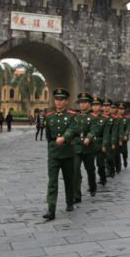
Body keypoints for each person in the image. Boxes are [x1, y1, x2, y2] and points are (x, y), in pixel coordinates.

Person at [42, 88, 77, 220]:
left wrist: (64, 137)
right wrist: (51, 149)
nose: (59, 102)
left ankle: (69, 202)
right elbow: (48, 136)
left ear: (66, 101)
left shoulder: (72, 116)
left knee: (69, 179)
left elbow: (73, 129)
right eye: (57, 99)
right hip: (54, 154)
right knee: (52, 182)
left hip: (67, 153)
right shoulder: (49, 116)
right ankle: (51, 209)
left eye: (62, 99)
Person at [68, 92, 97, 202]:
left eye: (85, 102)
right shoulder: (75, 116)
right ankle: (76, 195)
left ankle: (92, 186)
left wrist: (89, 138)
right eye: (80, 102)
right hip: (76, 147)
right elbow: (72, 129)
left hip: (88, 148)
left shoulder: (94, 117)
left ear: (89, 104)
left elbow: (94, 130)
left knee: (90, 169)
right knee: (75, 171)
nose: (82, 104)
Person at [89, 95, 108, 186]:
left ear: (100, 107)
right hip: (90, 144)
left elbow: (106, 133)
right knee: (90, 166)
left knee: (100, 164)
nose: (95, 107)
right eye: (93, 105)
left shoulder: (104, 119)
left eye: (97, 105)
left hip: (100, 144)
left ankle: (103, 178)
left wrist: (104, 145)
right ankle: (92, 184)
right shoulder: (88, 117)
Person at [118, 102, 130, 169]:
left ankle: (125, 159)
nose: (121, 110)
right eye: (119, 109)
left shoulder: (127, 118)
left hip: (124, 137)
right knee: (116, 152)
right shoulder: (115, 117)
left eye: (122, 109)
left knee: (124, 151)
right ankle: (118, 164)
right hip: (116, 137)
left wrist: (126, 135)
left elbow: (128, 128)